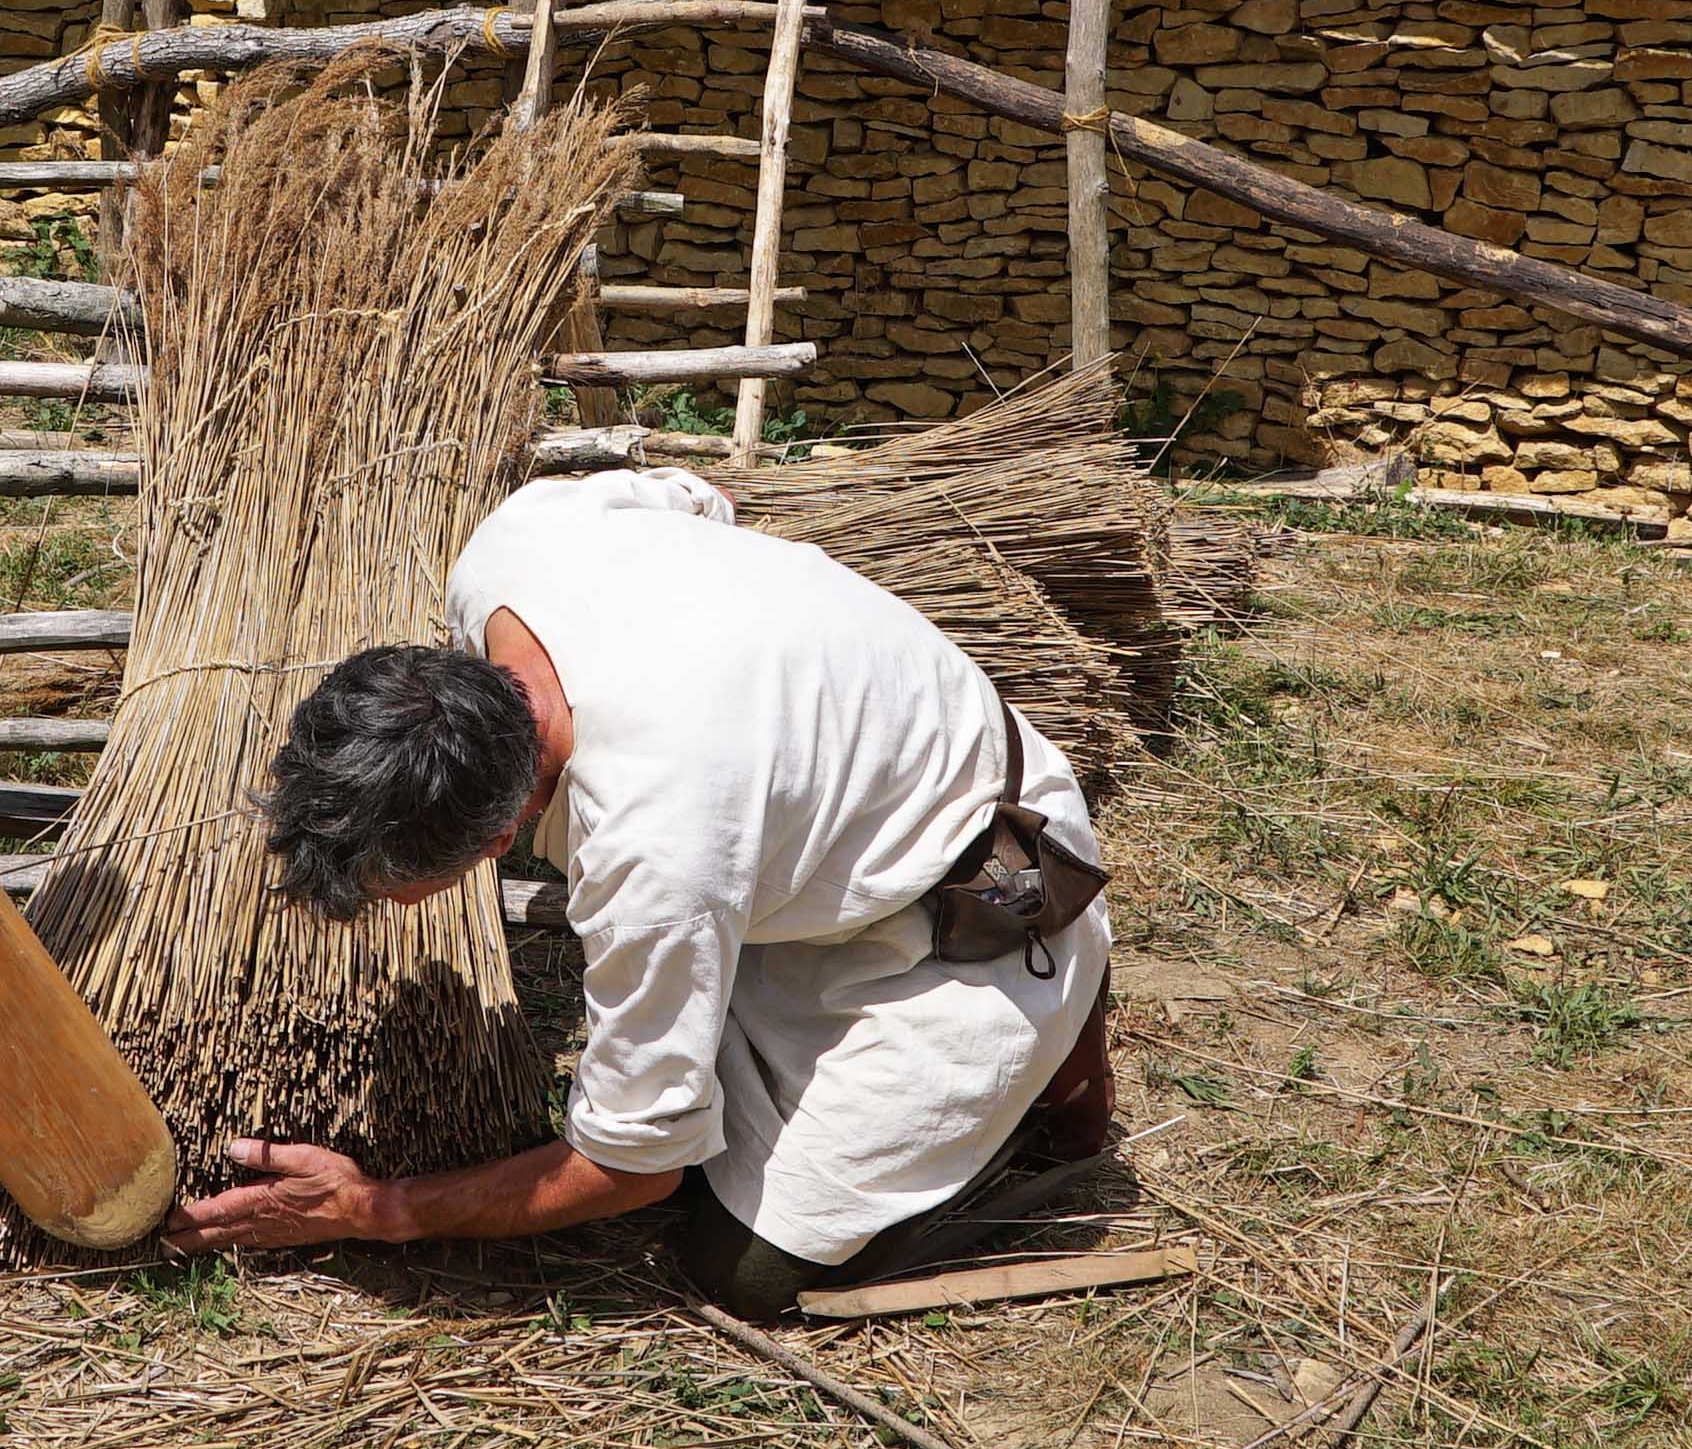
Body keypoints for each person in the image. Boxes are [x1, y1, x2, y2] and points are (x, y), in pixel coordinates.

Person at [166, 468, 1117, 1313]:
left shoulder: (657, 845)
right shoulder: (514, 547)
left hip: (979, 887)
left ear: (503, 836)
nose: (393, 908)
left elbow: (632, 1169)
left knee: (746, 1268)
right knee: (697, 1076)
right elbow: (703, 499)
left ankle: (1036, 1057)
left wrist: (383, 1210)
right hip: (835, 830)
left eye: (400, 888)